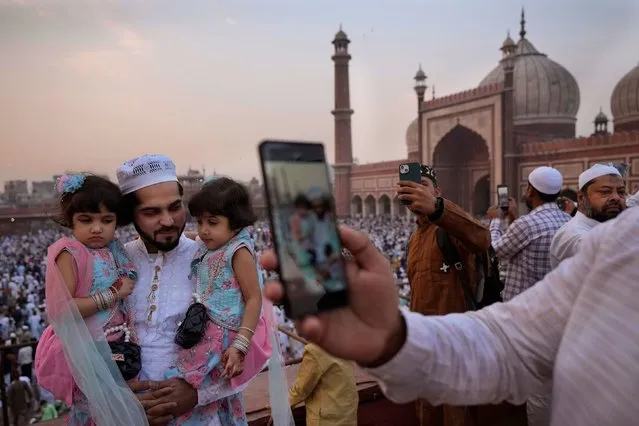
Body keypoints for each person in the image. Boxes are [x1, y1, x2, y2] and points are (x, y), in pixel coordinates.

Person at [260, 206, 639, 426]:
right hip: (436, 341)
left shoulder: (449, 230)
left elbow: (482, 240)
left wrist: (443, 209)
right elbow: (512, 346)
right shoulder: (625, 239)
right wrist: (393, 339)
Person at [117, 156, 291, 426]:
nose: (167, 221)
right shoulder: (116, 263)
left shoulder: (216, 254)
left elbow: (258, 338)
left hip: (206, 413)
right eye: (152, 212)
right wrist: (117, 394)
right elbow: (86, 344)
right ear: (131, 215)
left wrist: (198, 394)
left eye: (175, 208)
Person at [34, 174, 147, 425]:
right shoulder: (70, 253)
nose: (97, 228)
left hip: (118, 348)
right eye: (86, 220)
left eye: (107, 221)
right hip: (90, 353)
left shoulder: (113, 248)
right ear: (70, 222)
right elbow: (63, 310)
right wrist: (112, 295)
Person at [165, 177, 273, 424]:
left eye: (212, 222)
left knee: (193, 391)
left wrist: (240, 345)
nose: (203, 230)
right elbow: (192, 237)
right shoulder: (214, 243)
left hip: (223, 337)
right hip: (207, 332)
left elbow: (254, 299)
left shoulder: (239, 251)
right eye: (200, 222)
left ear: (235, 223)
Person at [550, 164, 625, 268]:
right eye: (605, 192)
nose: (616, 198)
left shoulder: (604, 227)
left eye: (621, 192)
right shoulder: (576, 237)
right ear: (581, 198)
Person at [289, 343, 359, 426]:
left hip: (327, 420)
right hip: (347, 415)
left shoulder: (315, 350)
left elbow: (301, 389)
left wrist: (283, 406)